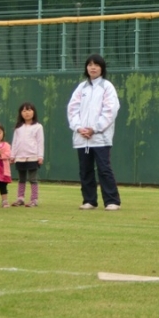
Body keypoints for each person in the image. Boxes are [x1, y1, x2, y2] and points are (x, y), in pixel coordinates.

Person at [67, 54, 121, 211]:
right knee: (85, 170)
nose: (93, 67)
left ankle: (112, 201)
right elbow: (72, 109)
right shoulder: (81, 88)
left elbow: (111, 110)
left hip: (100, 138)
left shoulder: (107, 87)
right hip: (82, 138)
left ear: (102, 68)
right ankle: (89, 200)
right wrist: (79, 128)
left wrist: (95, 128)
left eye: (96, 65)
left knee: (104, 169)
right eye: (90, 64)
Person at [10, 102, 44, 207]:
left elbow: (40, 142)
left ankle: (34, 199)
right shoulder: (18, 128)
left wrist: (40, 156)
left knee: (33, 179)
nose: (27, 113)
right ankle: (20, 198)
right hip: (20, 157)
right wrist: (12, 155)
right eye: (24, 111)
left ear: (34, 112)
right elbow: (15, 142)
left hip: (32, 157)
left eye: (29, 110)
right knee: (21, 179)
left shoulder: (38, 127)